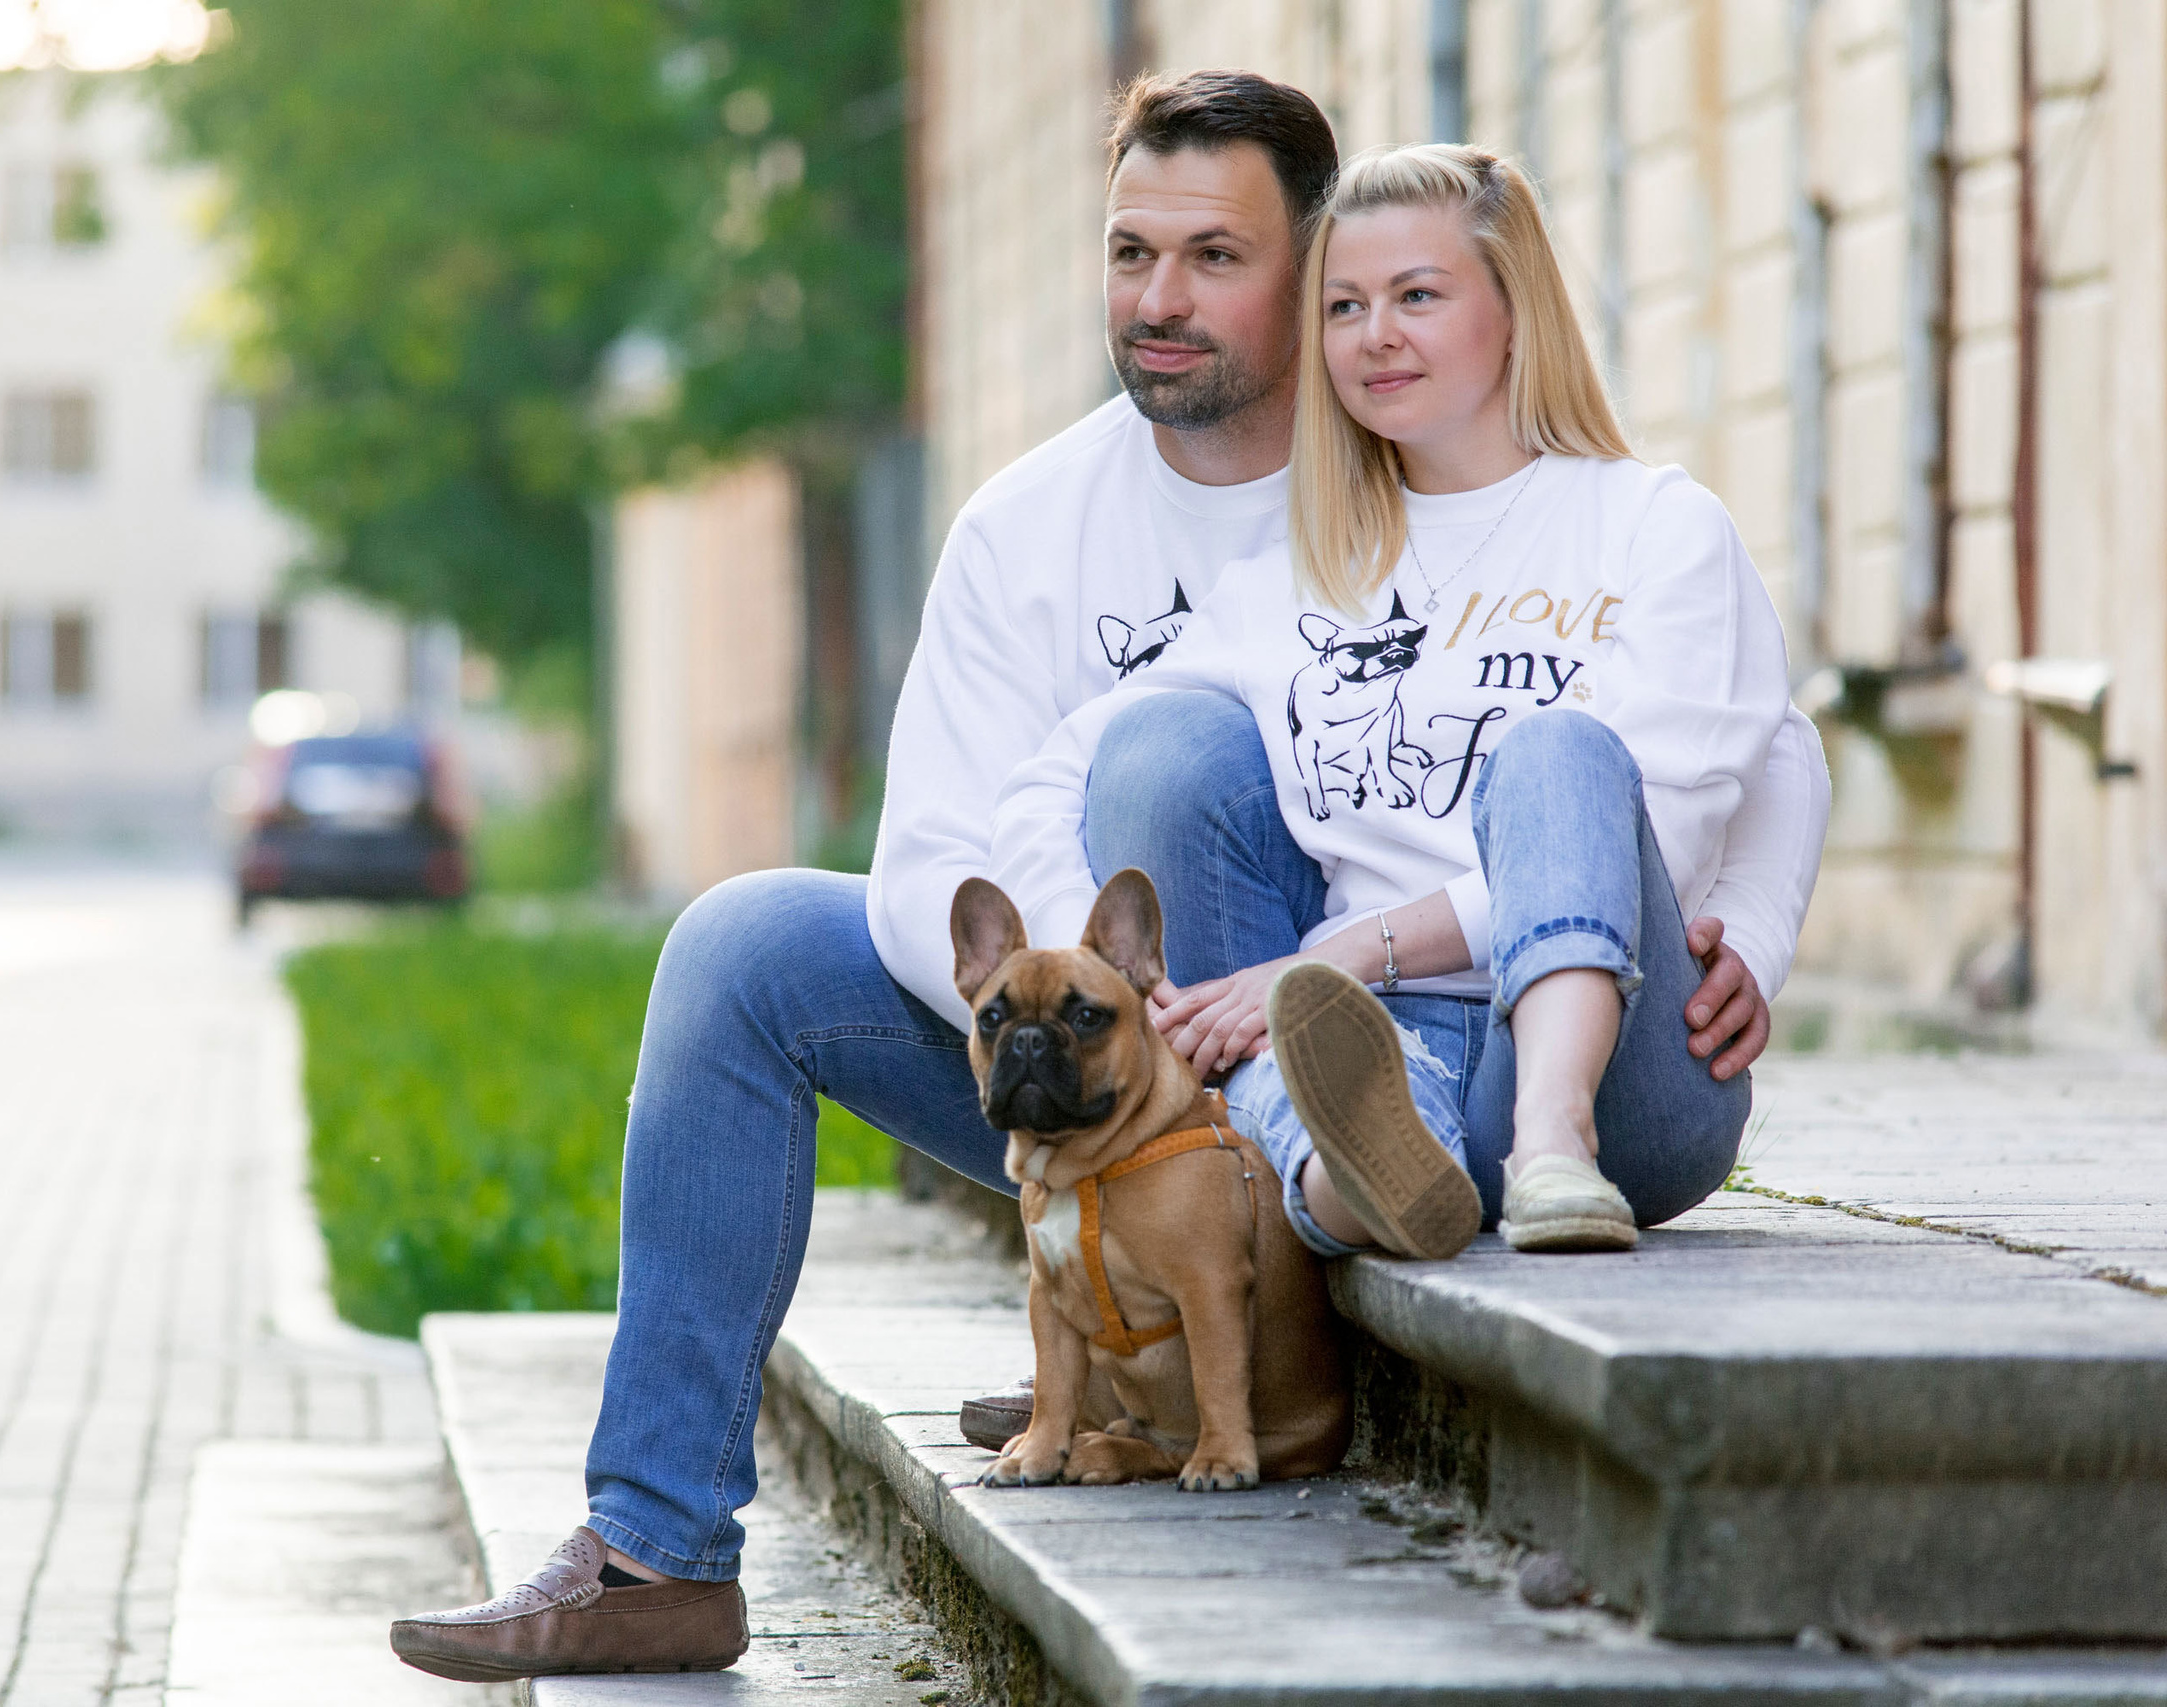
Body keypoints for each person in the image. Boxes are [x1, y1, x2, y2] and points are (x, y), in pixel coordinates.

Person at [391, 78, 1827, 1685]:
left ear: (1319, 264)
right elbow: (943, 848)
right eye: (1130, 252)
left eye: (1218, 257)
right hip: (1162, 1040)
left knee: (1262, 767)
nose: (1159, 301)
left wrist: (1748, 925)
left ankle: (1215, 1270)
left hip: (1430, 1013)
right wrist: (1133, 1031)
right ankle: (658, 1540)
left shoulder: (1491, 487)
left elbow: (1749, 734)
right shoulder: (1047, 527)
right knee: (755, 937)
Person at [990, 139, 1801, 1262]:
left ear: (1514, 311)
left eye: (1417, 296)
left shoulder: (1651, 523)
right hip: (1373, 1044)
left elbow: (1744, 767)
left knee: (1558, 751)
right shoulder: (1292, 577)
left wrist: (1754, 933)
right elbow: (1055, 780)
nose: (1375, 336)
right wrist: (1095, 979)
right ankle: (1344, 1186)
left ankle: (1548, 1153)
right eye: (1343, 306)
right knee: (1157, 743)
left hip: (1612, 1063)